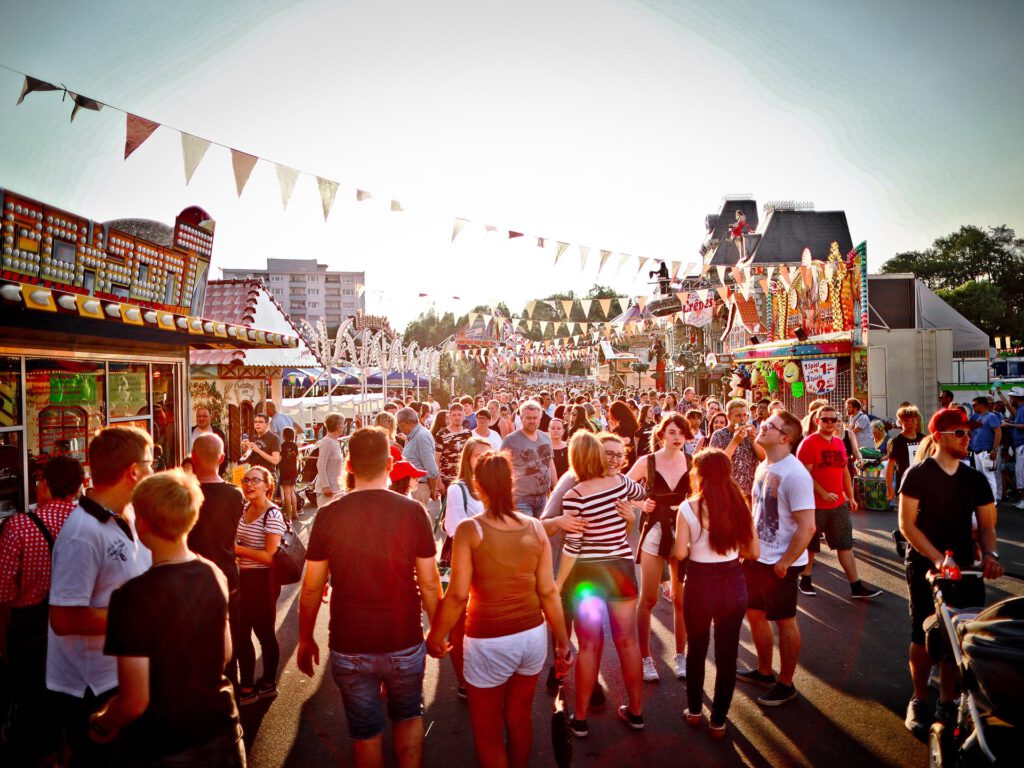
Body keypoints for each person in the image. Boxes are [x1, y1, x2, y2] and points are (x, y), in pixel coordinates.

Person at [297, 427, 442, 768]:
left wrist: (305, 638)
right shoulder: (412, 512)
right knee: (407, 718)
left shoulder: (330, 514)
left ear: (349, 466)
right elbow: (431, 584)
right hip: (402, 637)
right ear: (390, 466)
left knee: (366, 735)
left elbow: (312, 587)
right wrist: (438, 629)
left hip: (350, 642)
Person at [427, 452, 573, 767]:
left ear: (478, 487)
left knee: (487, 730)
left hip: (487, 639)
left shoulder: (470, 530)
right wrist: (563, 641)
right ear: (511, 483)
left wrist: (436, 635)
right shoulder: (535, 527)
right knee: (520, 719)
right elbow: (548, 591)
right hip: (532, 636)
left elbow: (456, 596)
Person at [88, 470, 243, 766]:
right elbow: (224, 653)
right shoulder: (214, 574)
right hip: (222, 730)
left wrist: (101, 722)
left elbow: (134, 701)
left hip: (164, 742)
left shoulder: (130, 597)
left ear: (142, 523)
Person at [47, 426, 154, 767]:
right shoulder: (82, 532)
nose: (154, 471)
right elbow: (63, 619)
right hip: (93, 688)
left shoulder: (131, 515)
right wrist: (146, 618)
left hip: (127, 675)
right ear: (134, 471)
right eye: (151, 464)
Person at [899, 408, 1004, 735]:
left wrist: (990, 554)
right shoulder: (917, 475)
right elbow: (907, 525)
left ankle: (947, 701)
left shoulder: (975, 479)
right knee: (924, 634)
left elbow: (987, 525)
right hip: (926, 566)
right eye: (960, 433)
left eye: (968, 432)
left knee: (956, 636)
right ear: (941, 436)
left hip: (965, 567)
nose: (967, 437)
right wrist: (936, 558)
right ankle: (918, 699)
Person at [556, 431, 647, 737]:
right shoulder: (620, 484)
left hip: (588, 575)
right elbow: (639, 493)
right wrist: (629, 514)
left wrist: (557, 584)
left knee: (590, 645)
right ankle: (636, 713)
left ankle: (580, 719)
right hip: (620, 568)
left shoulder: (575, 495)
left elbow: (572, 546)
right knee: (628, 641)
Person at [0, 455, 83, 765]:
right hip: (77, 626)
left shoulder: (19, 525)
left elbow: (3, 592)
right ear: (79, 486)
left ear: (45, 484)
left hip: (30, 630)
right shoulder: (88, 522)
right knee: (72, 709)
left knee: (35, 711)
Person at [674, 449, 759, 740]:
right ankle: (719, 722)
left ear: (697, 473)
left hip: (699, 581)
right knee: (727, 653)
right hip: (732, 580)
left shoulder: (688, 508)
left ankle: (695, 712)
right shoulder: (740, 504)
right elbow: (754, 551)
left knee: (697, 649)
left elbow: (679, 552)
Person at [736, 410, 816, 707]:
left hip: (781, 563)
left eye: (769, 426)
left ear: (784, 438)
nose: (762, 427)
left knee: (784, 620)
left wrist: (785, 561)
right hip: (756, 557)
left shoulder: (795, 474)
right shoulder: (764, 465)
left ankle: (786, 683)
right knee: (755, 614)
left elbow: (808, 526)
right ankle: (765, 671)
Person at [626, 413, 692, 682]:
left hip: (682, 531)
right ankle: (646, 658)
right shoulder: (647, 461)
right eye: (673, 432)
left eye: (682, 433)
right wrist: (642, 504)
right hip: (654, 531)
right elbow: (622, 487)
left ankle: (680, 655)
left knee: (680, 599)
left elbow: (700, 493)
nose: (677, 438)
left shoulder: (691, 461)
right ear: (662, 434)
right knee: (649, 598)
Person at [795, 406, 881, 600]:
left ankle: (856, 586)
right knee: (811, 546)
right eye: (825, 420)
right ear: (817, 421)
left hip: (838, 504)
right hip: (814, 505)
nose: (830, 423)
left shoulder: (839, 443)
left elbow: (844, 471)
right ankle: (805, 580)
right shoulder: (808, 443)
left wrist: (850, 496)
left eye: (833, 420)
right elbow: (804, 474)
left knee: (845, 545)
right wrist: (823, 493)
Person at [188, 434, 244, 685]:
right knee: (227, 640)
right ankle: (229, 697)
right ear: (222, 458)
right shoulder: (235, 495)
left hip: (188, 578)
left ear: (193, 458)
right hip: (226, 574)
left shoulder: (184, 494)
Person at [234, 464, 285, 705]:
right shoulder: (244, 509)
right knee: (240, 633)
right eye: (246, 480)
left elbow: (269, 555)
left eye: (255, 480)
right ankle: (246, 685)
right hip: (242, 578)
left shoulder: (272, 514)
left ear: (268, 485)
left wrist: (235, 549)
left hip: (263, 582)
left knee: (264, 633)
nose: (249, 484)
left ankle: (267, 682)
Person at [501, 401, 556, 518]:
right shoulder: (510, 440)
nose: (532, 421)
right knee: (527, 534)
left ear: (540, 418)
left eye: (535, 418)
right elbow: (501, 469)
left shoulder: (546, 438)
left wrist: (555, 489)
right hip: (521, 499)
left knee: (543, 532)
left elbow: (550, 463)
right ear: (521, 418)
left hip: (543, 497)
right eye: (528, 418)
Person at [709, 399, 765, 499]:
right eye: (738, 415)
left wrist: (754, 440)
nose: (743, 419)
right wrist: (735, 441)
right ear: (729, 417)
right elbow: (716, 464)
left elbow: (763, 459)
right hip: (728, 492)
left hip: (751, 491)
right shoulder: (719, 435)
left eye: (745, 415)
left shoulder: (751, 434)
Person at [398, 406, 441, 505]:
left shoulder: (421, 436)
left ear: (405, 423)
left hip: (419, 488)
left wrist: (433, 490)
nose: (400, 428)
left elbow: (431, 469)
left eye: (400, 425)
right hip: (415, 487)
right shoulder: (413, 436)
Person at [886, 405, 925, 503]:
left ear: (917, 421)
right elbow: (890, 466)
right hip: (905, 485)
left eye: (913, 420)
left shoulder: (923, 439)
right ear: (900, 422)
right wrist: (889, 487)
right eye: (906, 421)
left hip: (922, 484)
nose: (910, 424)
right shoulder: (897, 441)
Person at [968, 396, 1002, 502]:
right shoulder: (979, 418)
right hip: (977, 452)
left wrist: (994, 450)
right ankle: (985, 500)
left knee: (989, 476)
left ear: (982, 405)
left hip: (986, 452)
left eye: (974, 405)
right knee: (982, 477)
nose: (972, 407)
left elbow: (998, 432)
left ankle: (993, 501)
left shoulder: (991, 416)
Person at [436, 403, 473, 491]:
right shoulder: (441, 435)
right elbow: (436, 459)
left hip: (464, 479)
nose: (457, 417)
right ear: (450, 417)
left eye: (459, 415)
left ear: (464, 416)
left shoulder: (468, 434)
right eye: (454, 415)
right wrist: (439, 482)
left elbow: (471, 456)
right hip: (447, 480)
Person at [315, 413, 345, 508]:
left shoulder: (334, 442)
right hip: (328, 491)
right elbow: (321, 464)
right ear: (337, 426)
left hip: (336, 489)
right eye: (342, 424)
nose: (343, 426)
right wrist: (325, 486)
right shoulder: (327, 442)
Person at [608, 400, 640, 468]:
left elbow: (627, 440)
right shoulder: (632, 421)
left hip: (625, 457)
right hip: (633, 454)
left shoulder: (621, 427)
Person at [279, 426, 300, 519]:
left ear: (284, 436)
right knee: (292, 493)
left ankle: (289, 514)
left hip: (285, 471)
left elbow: (279, 459)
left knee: (286, 493)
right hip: (293, 471)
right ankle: (295, 513)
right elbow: (297, 458)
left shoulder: (282, 446)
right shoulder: (295, 445)